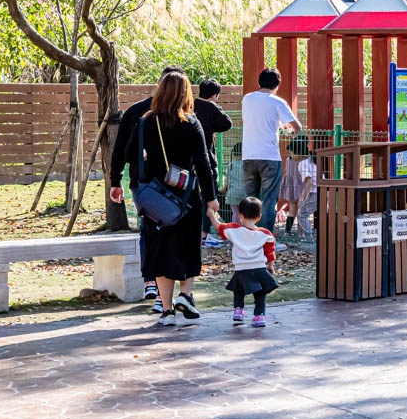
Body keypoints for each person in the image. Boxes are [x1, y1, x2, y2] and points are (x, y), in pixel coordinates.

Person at [124, 71, 218, 326]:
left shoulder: (146, 121)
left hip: (156, 198)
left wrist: (148, 161)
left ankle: (166, 311)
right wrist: (211, 198)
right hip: (186, 195)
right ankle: (185, 294)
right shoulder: (191, 122)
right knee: (188, 247)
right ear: (186, 93)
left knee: (161, 249)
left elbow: (130, 153)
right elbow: (203, 163)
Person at [109, 65, 186, 312]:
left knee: (150, 231)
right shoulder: (181, 114)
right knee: (166, 234)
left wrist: (115, 180)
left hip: (144, 186)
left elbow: (122, 151)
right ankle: (162, 291)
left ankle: (153, 284)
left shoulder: (138, 112)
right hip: (173, 186)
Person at [242, 68, 302, 236]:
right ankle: (266, 239)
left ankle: (248, 236)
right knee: (268, 202)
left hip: (248, 156)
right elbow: (297, 126)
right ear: (277, 84)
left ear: (259, 81)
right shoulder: (277, 102)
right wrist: (288, 130)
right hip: (269, 156)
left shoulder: (247, 99)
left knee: (250, 200)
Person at [207, 197, 278, 328]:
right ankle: (259, 316)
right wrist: (270, 266)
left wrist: (211, 215)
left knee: (238, 291)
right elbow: (270, 251)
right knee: (260, 293)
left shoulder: (234, 230)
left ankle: (238, 311)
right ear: (259, 217)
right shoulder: (265, 234)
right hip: (259, 268)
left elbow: (218, 226)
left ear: (240, 215)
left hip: (241, 269)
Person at [195, 78, 233, 247]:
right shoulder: (211, 107)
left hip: (190, 160)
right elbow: (227, 124)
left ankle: (195, 233)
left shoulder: (191, 105)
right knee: (208, 197)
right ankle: (204, 234)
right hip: (207, 157)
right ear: (215, 95)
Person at [278, 137, 308, 235]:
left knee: (292, 209)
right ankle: (301, 231)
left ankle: (288, 230)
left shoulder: (288, 159)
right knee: (301, 210)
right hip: (301, 187)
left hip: (290, 187)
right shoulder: (305, 160)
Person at [293, 136, 317, 236]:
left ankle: (308, 236)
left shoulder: (302, 164)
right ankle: (303, 234)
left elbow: (309, 181)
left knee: (302, 214)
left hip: (314, 192)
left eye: (292, 152)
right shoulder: (311, 160)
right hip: (321, 190)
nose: (291, 155)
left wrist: (302, 198)